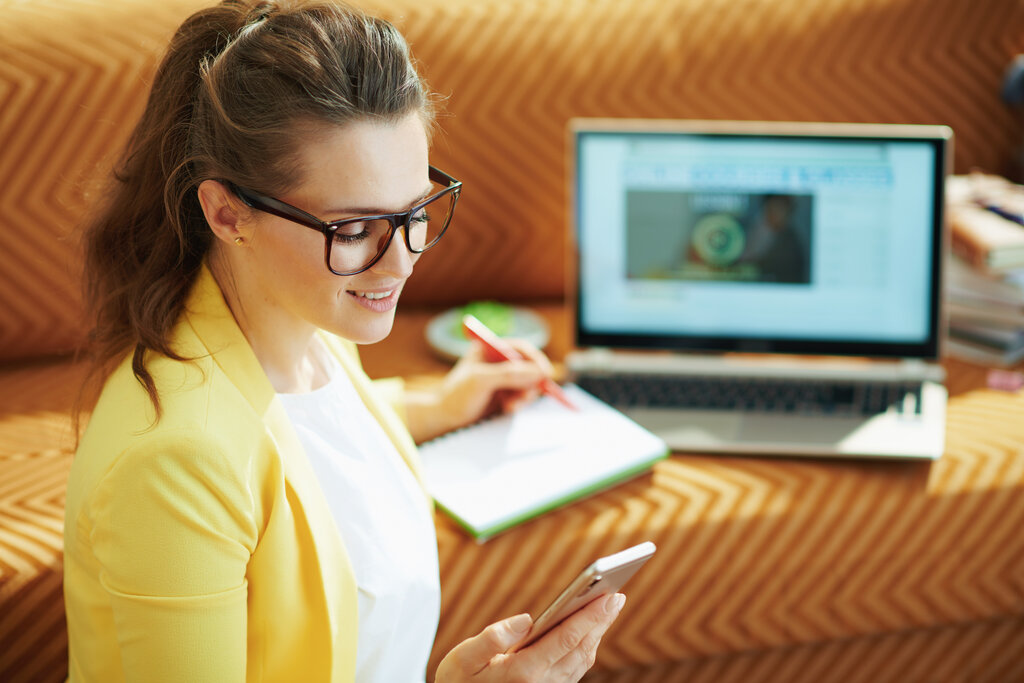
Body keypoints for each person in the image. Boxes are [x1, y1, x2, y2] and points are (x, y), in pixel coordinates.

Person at [63, 1, 624, 681]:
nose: (402, 261)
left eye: (415, 210)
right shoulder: (175, 467)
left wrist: (436, 407)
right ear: (226, 212)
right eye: (354, 229)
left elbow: (302, 439)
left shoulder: (306, 322)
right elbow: (241, 457)